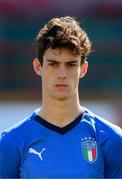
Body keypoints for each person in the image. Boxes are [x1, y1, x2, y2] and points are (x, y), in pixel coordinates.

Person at [0, 16, 122, 179]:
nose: (62, 74)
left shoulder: (112, 140)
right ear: (38, 67)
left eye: (71, 64)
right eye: (53, 63)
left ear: (83, 69)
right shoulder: (11, 142)